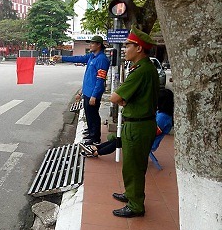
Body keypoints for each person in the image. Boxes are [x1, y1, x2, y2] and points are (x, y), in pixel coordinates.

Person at [109, 26, 159, 218]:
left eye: (128, 45)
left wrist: (121, 99)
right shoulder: (145, 68)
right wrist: (123, 99)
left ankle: (136, 205)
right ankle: (131, 194)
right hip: (139, 123)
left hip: (138, 125)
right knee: (131, 164)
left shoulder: (141, 71)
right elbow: (123, 97)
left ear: (138, 48)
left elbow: (115, 97)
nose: (124, 48)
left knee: (134, 166)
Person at [80, 88, 174, 158]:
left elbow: (152, 132)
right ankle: (96, 148)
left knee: (120, 140)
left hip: (147, 142)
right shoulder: (161, 113)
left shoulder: (163, 117)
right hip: (143, 137)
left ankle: (96, 152)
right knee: (119, 137)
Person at [54, 36, 110, 145]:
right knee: (89, 114)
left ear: (98, 45)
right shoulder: (92, 57)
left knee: (93, 115)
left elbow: (100, 79)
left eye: (92, 43)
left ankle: (95, 138)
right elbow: (78, 58)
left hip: (93, 93)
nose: (90, 45)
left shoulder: (102, 59)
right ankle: (91, 132)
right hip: (87, 92)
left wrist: (94, 96)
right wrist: (62, 58)